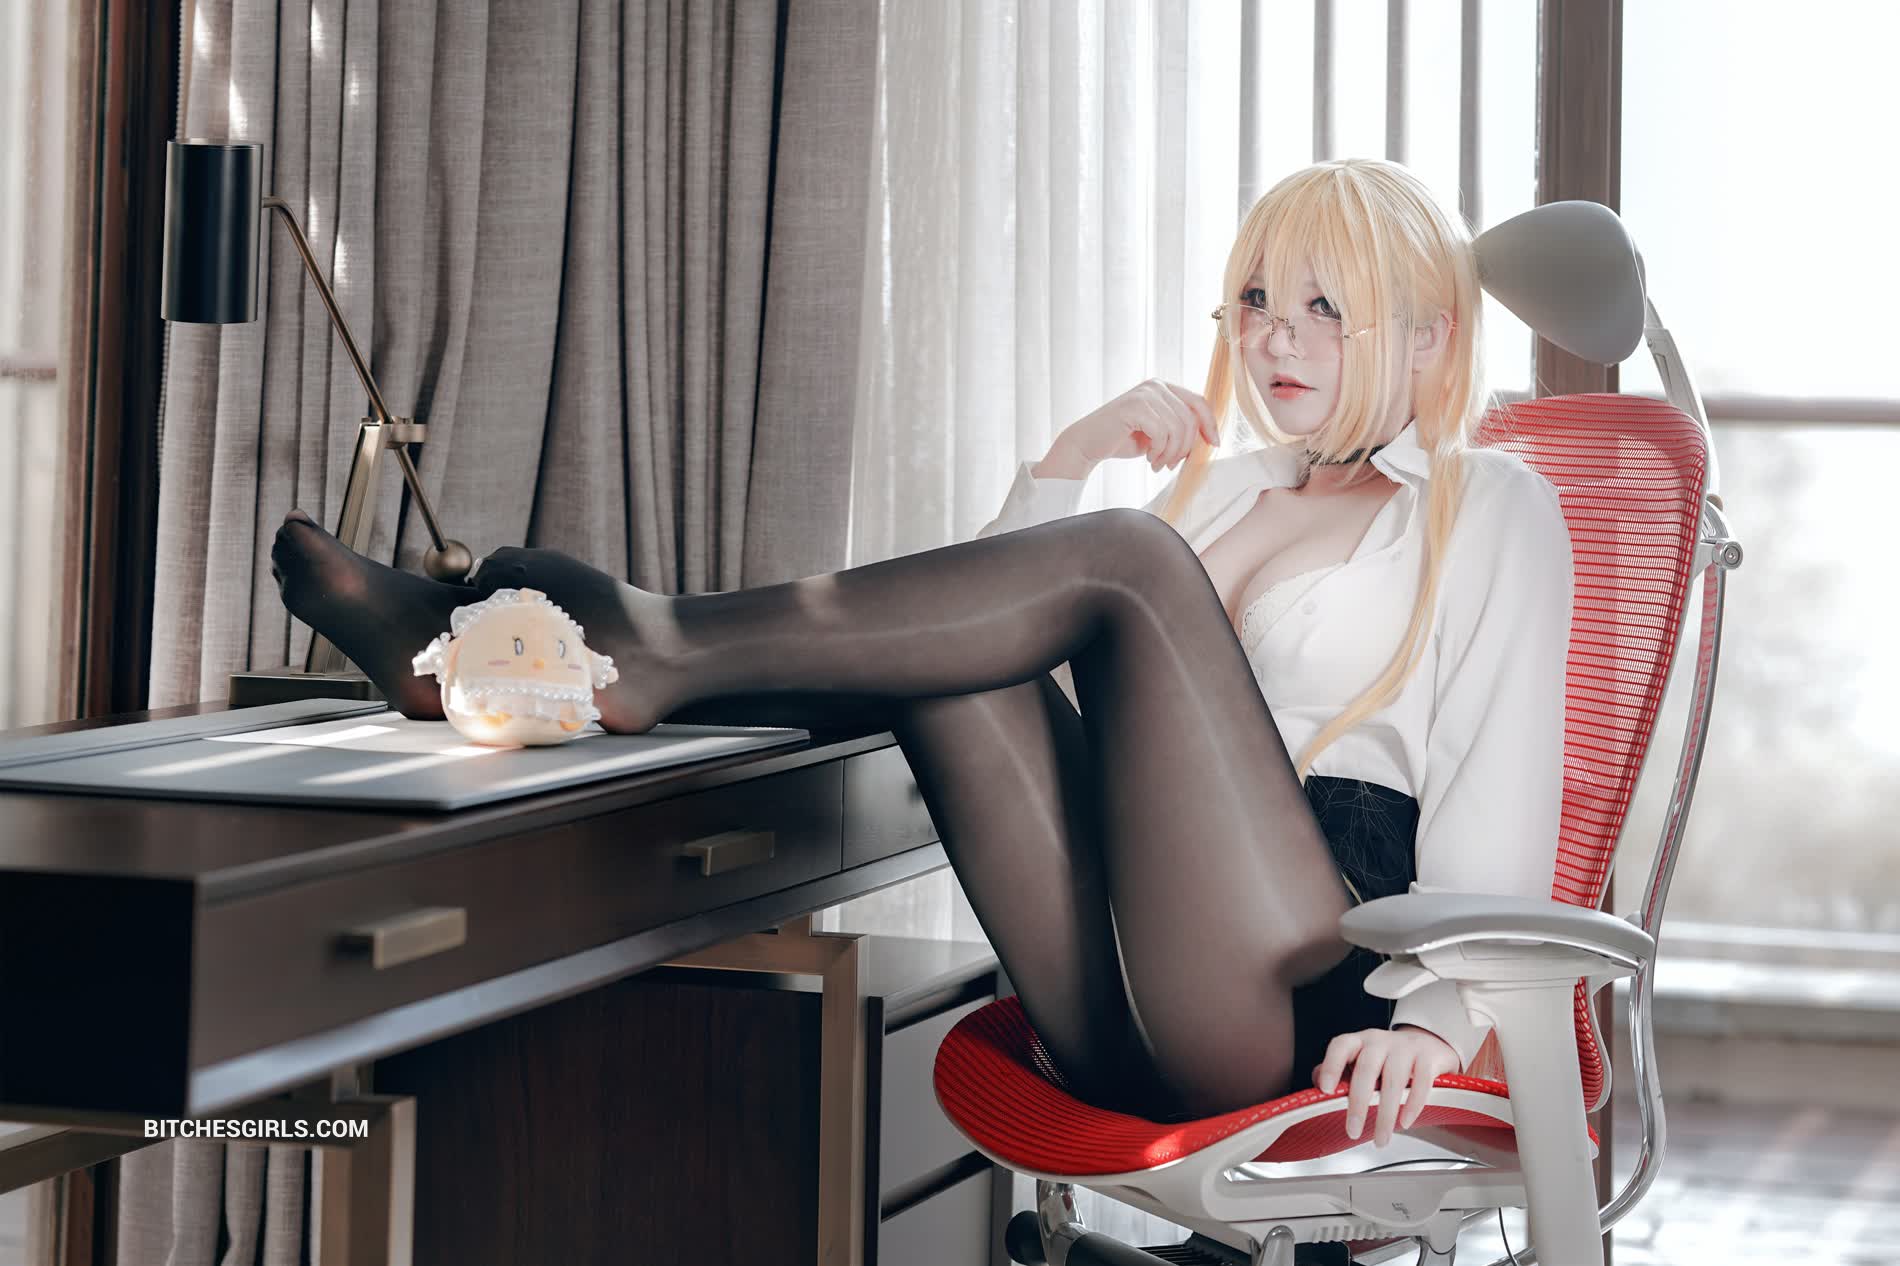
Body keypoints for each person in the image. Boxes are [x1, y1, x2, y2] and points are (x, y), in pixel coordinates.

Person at [268, 158, 1572, 1146]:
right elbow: (982, 624)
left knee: (1126, 559)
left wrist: (1441, 1016)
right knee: (960, 663)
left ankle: (626, 645)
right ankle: (501, 655)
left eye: (1324, 306)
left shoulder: (1489, 507)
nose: (1275, 334)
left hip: (1302, 1003)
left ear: (1427, 336)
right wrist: (1067, 458)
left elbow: (1500, 796)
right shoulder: (1227, 494)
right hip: (1116, 989)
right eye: (1255, 299)